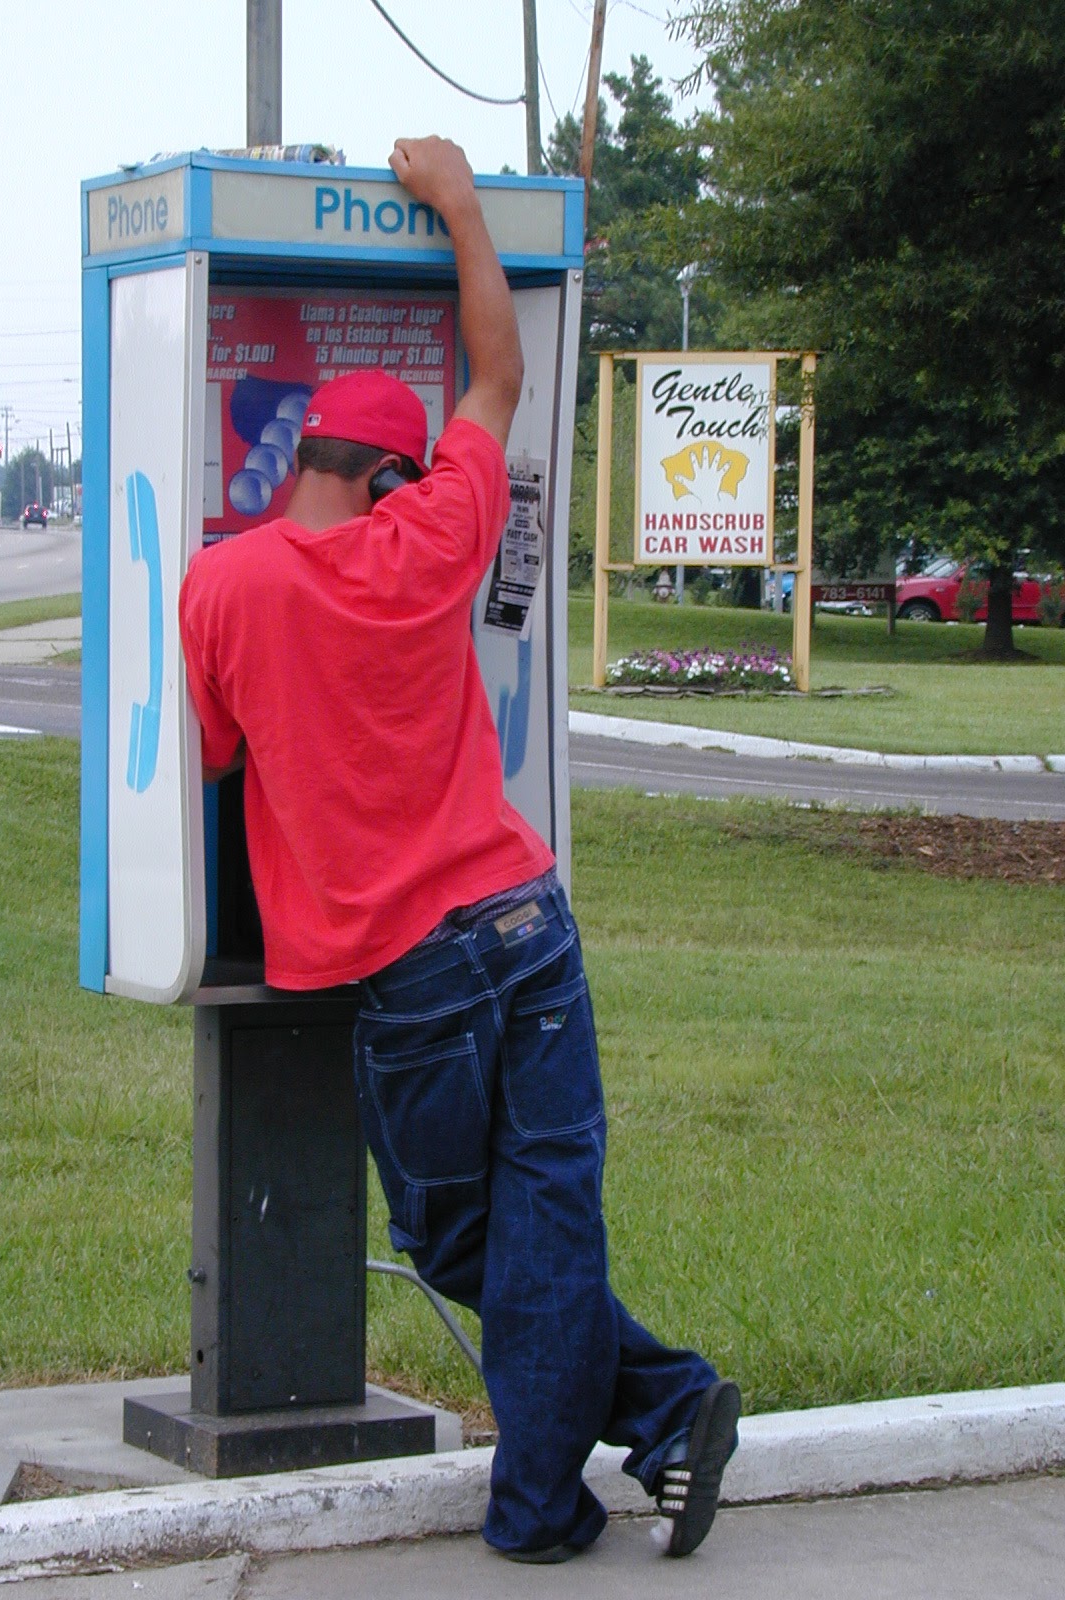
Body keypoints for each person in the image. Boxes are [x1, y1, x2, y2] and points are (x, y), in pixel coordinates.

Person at [179, 135, 739, 1564]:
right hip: (524, 921)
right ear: (387, 475)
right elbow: (500, 375)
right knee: (545, 1214)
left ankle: (554, 1500)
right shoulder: (434, 533)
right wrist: (461, 210)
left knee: (462, 1244)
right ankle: (665, 1408)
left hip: (404, 971)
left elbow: (224, 764)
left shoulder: (219, 589)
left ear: (309, 460)